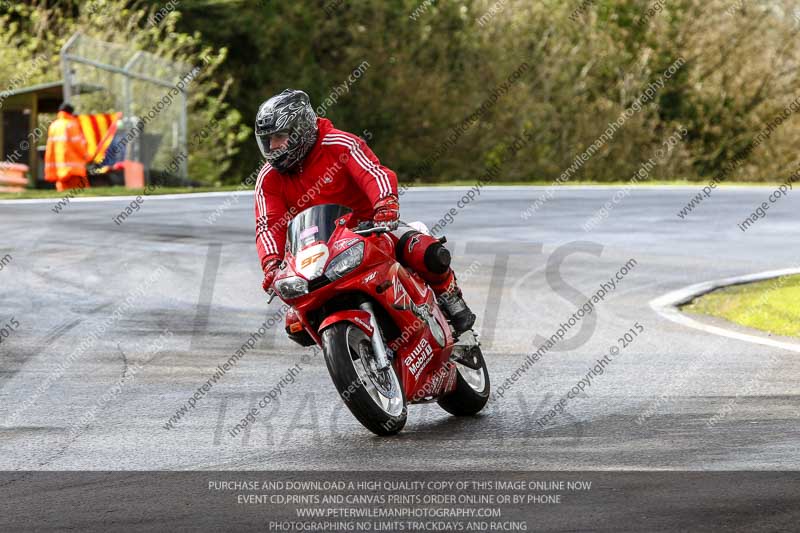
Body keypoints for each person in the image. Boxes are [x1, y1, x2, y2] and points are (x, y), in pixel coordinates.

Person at [254, 89, 476, 335]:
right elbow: (267, 224)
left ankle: (450, 296)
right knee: (296, 326)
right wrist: (271, 265)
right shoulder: (268, 178)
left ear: (302, 129)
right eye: (268, 140)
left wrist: (386, 206)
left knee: (428, 253)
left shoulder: (339, 143)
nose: (273, 146)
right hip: (317, 252)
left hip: (372, 229)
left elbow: (375, 174)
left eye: (280, 137)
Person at [44, 102, 90, 192]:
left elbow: (50, 148)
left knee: (63, 197)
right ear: (71, 112)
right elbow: (78, 144)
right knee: (82, 198)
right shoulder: (71, 124)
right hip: (74, 170)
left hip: (59, 169)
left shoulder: (54, 126)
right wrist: (86, 156)